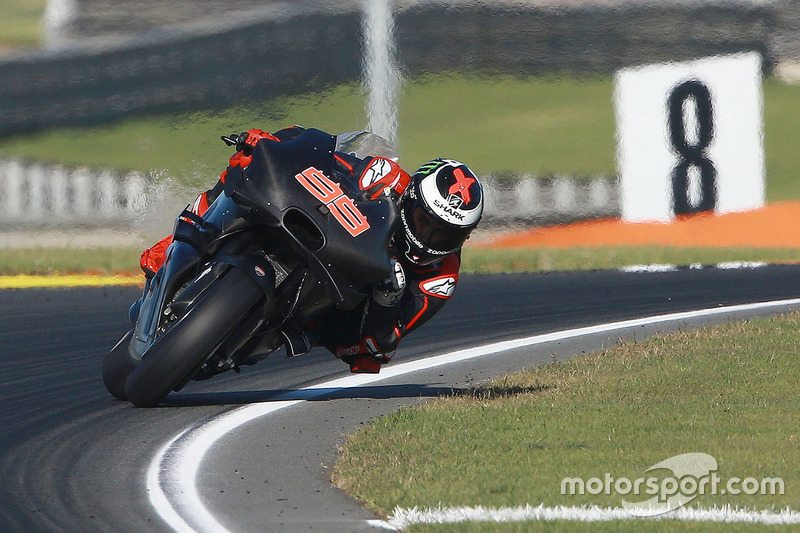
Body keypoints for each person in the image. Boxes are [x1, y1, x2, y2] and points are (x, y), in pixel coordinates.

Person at [139, 126, 484, 373]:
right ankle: (182, 243)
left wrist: (387, 300)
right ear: (410, 198)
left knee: (367, 353)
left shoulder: (441, 278)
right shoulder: (386, 178)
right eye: (425, 222)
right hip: (319, 229)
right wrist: (273, 145)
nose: (429, 239)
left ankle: (260, 331)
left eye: (445, 237)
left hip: (340, 302)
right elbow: (327, 160)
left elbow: (383, 341)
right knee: (244, 167)